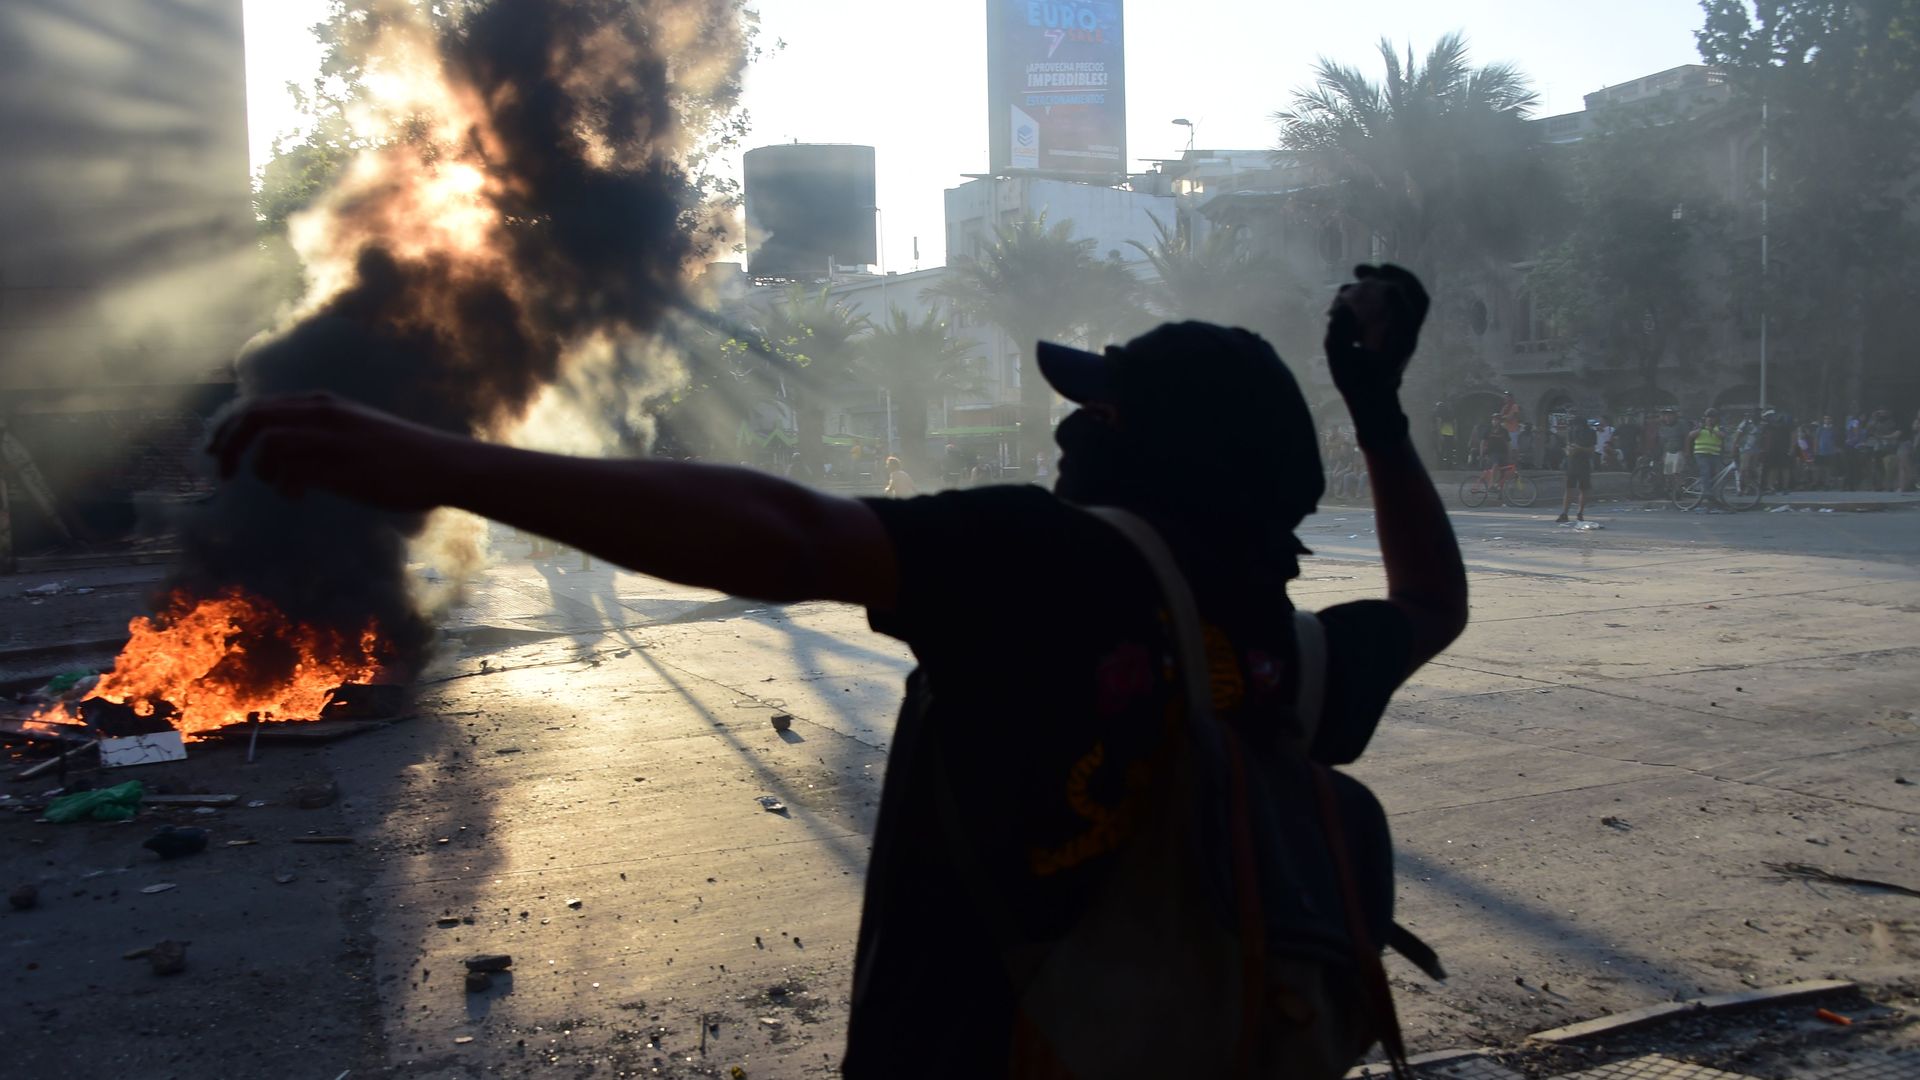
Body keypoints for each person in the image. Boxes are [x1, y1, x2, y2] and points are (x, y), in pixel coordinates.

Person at [210, 266, 1469, 1078]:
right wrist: (1377, 409)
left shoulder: (1048, 560)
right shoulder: (1287, 650)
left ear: (1151, 451)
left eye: (1104, 410)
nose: (1070, 425)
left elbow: (796, 535)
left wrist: (444, 465)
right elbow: (1429, 605)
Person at [1557, 418, 1597, 523]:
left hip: (1583, 463)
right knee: (1570, 488)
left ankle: (1580, 513)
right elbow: (1568, 446)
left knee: (1583, 489)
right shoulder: (1571, 432)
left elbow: (1592, 450)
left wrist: (1579, 448)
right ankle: (1565, 513)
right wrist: (1569, 450)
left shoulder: (1590, 433)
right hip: (1572, 463)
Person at [1688, 408, 1725, 497]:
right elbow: (1691, 435)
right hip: (1701, 453)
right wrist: (1700, 429)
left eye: (1712, 417)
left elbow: (1723, 436)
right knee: (1706, 470)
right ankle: (1706, 492)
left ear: (1716, 418)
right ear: (1705, 418)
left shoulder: (1719, 427)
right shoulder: (1700, 426)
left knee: (1715, 474)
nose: (1710, 419)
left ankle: (1713, 492)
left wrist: (1713, 430)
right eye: (1708, 417)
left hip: (1714, 454)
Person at [1656, 408, 1688, 480]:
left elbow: (1687, 437)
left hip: (1679, 452)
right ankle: (1670, 489)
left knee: (1677, 473)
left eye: (1670, 415)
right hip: (1668, 453)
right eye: (1666, 416)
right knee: (1668, 473)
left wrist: (1686, 450)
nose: (1668, 417)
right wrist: (1663, 453)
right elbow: (1663, 441)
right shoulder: (1663, 427)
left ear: (1674, 415)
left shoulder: (1681, 424)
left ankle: (1678, 489)